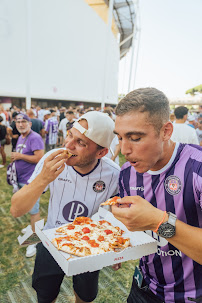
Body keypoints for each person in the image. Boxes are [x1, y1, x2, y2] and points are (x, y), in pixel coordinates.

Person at [10, 111, 120, 303]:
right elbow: (16, 209)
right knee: (45, 295)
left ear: (101, 152)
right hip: (51, 241)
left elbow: (114, 214)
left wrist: (114, 248)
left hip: (89, 246)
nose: (67, 145)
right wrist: (43, 178)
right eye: (69, 135)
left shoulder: (113, 174)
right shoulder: (52, 158)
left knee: (85, 296)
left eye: (81, 143)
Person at [111, 87, 202, 303]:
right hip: (143, 287)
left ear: (166, 131)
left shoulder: (197, 169)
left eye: (134, 137)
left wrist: (158, 221)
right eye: (120, 138)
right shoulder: (126, 174)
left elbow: (154, 222)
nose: (124, 149)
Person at [11, 113, 44, 257]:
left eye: (24, 121)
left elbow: (39, 158)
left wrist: (20, 156)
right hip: (21, 179)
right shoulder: (21, 136)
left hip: (31, 181)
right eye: (18, 121)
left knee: (34, 210)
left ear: (30, 124)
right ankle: (31, 227)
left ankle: (34, 242)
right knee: (27, 208)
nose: (20, 124)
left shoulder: (35, 137)